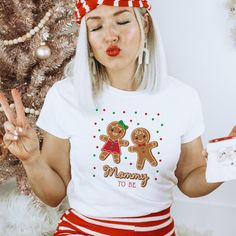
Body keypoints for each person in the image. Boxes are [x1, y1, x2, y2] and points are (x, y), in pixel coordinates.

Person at [0, 1, 235, 235]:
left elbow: (191, 181)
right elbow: (53, 196)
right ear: (88, 40)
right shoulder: (65, 96)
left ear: (145, 24)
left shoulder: (183, 98)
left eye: (122, 21)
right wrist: (31, 159)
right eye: (96, 27)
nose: (110, 36)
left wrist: (229, 160)